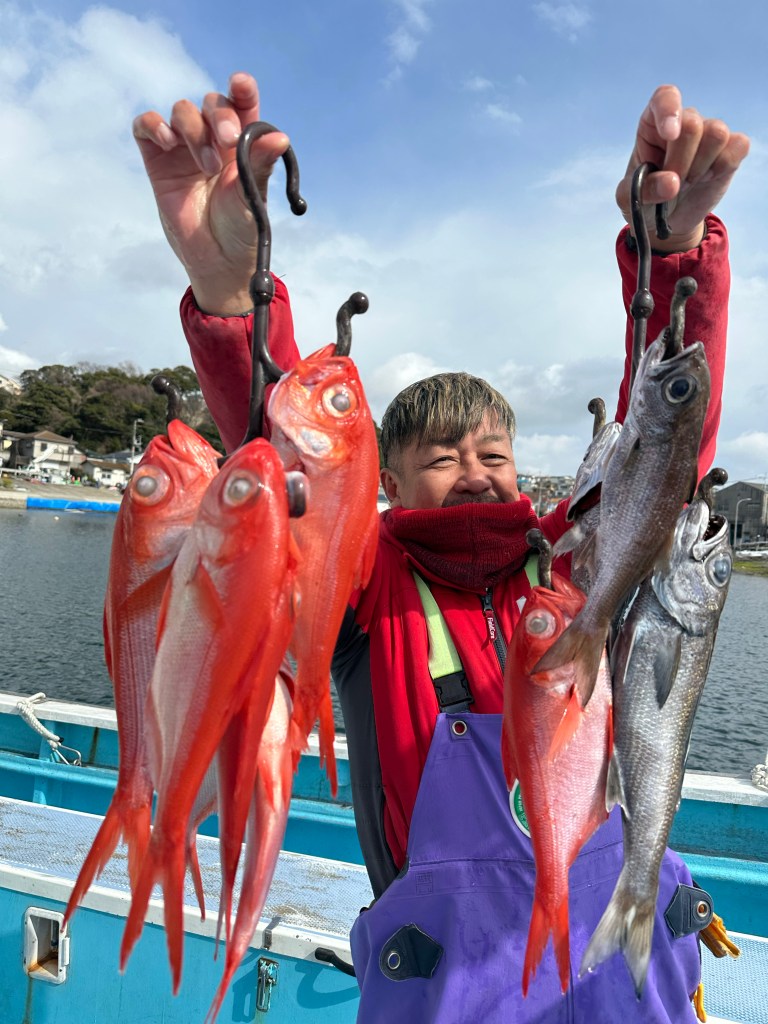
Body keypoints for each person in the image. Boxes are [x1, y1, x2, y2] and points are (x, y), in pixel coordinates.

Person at [134, 76, 748, 1023]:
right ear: (386, 480)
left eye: (493, 455)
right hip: (451, 970)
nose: (473, 472)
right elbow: (292, 470)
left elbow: (660, 466)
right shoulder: (364, 580)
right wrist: (231, 295)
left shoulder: (568, 563)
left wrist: (674, 264)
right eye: (441, 457)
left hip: (615, 955)